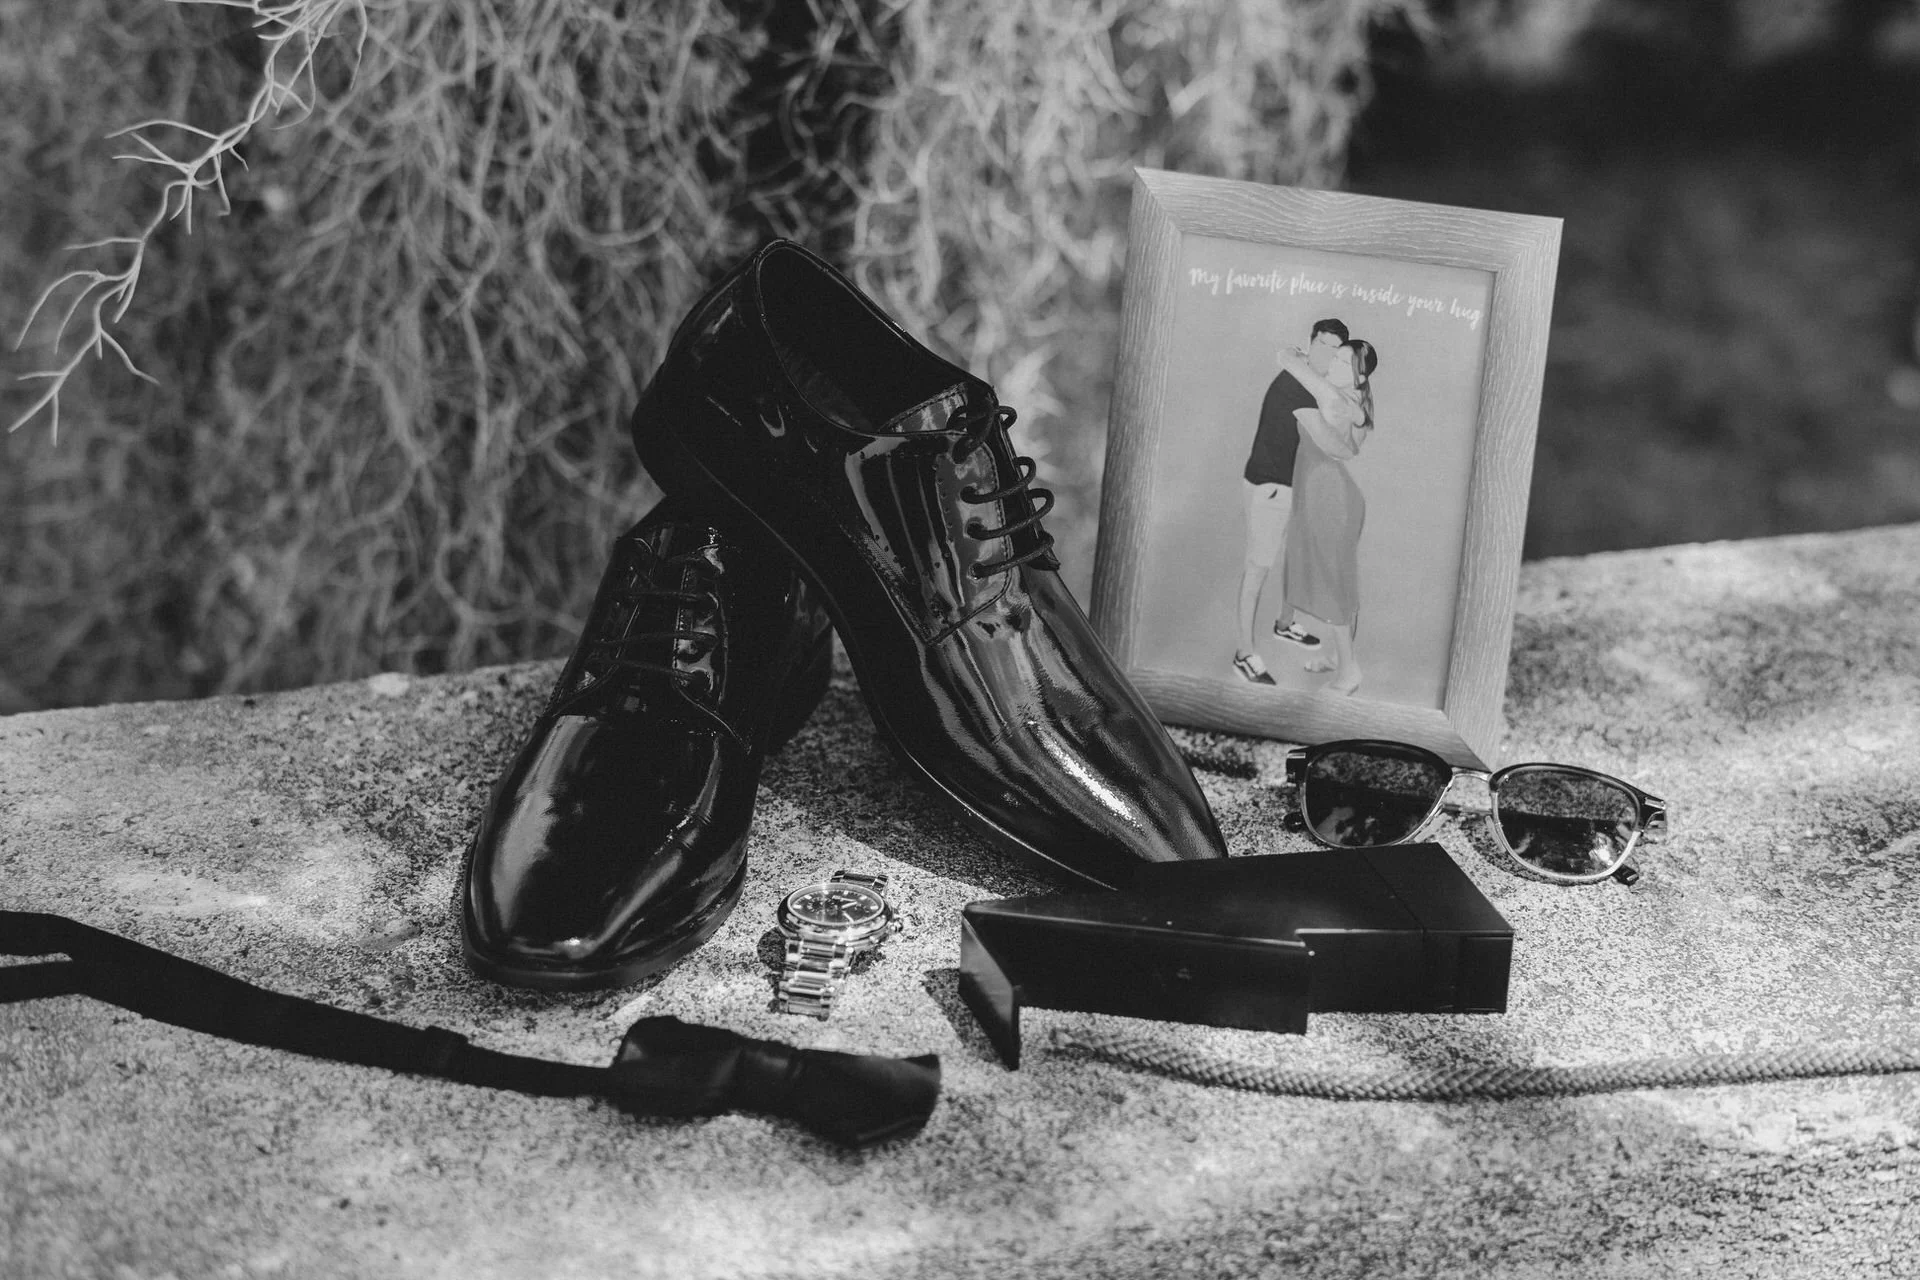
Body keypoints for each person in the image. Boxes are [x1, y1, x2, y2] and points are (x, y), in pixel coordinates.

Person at [1232, 317, 1347, 684]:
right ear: (1310, 343)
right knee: (1257, 569)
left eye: (1334, 348)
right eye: (1322, 344)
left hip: (1292, 486)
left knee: (1297, 557)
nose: (1327, 353)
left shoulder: (1308, 378)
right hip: (1270, 488)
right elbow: (1332, 443)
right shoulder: (1296, 388)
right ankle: (1244, 654)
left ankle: (1284, 624)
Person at [1276, 337, 1377, 695]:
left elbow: (1288, 360)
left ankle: (1349, 672)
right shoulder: (1353, 399)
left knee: (1332, 583)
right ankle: (1338, 657)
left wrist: (1294, 356)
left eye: (1344, 363)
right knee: (1339, 580)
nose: (1334, 365)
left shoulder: (1337, 399)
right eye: (1336, 358)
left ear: (1360, 377)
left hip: (1329, 497)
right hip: (1327, 493)